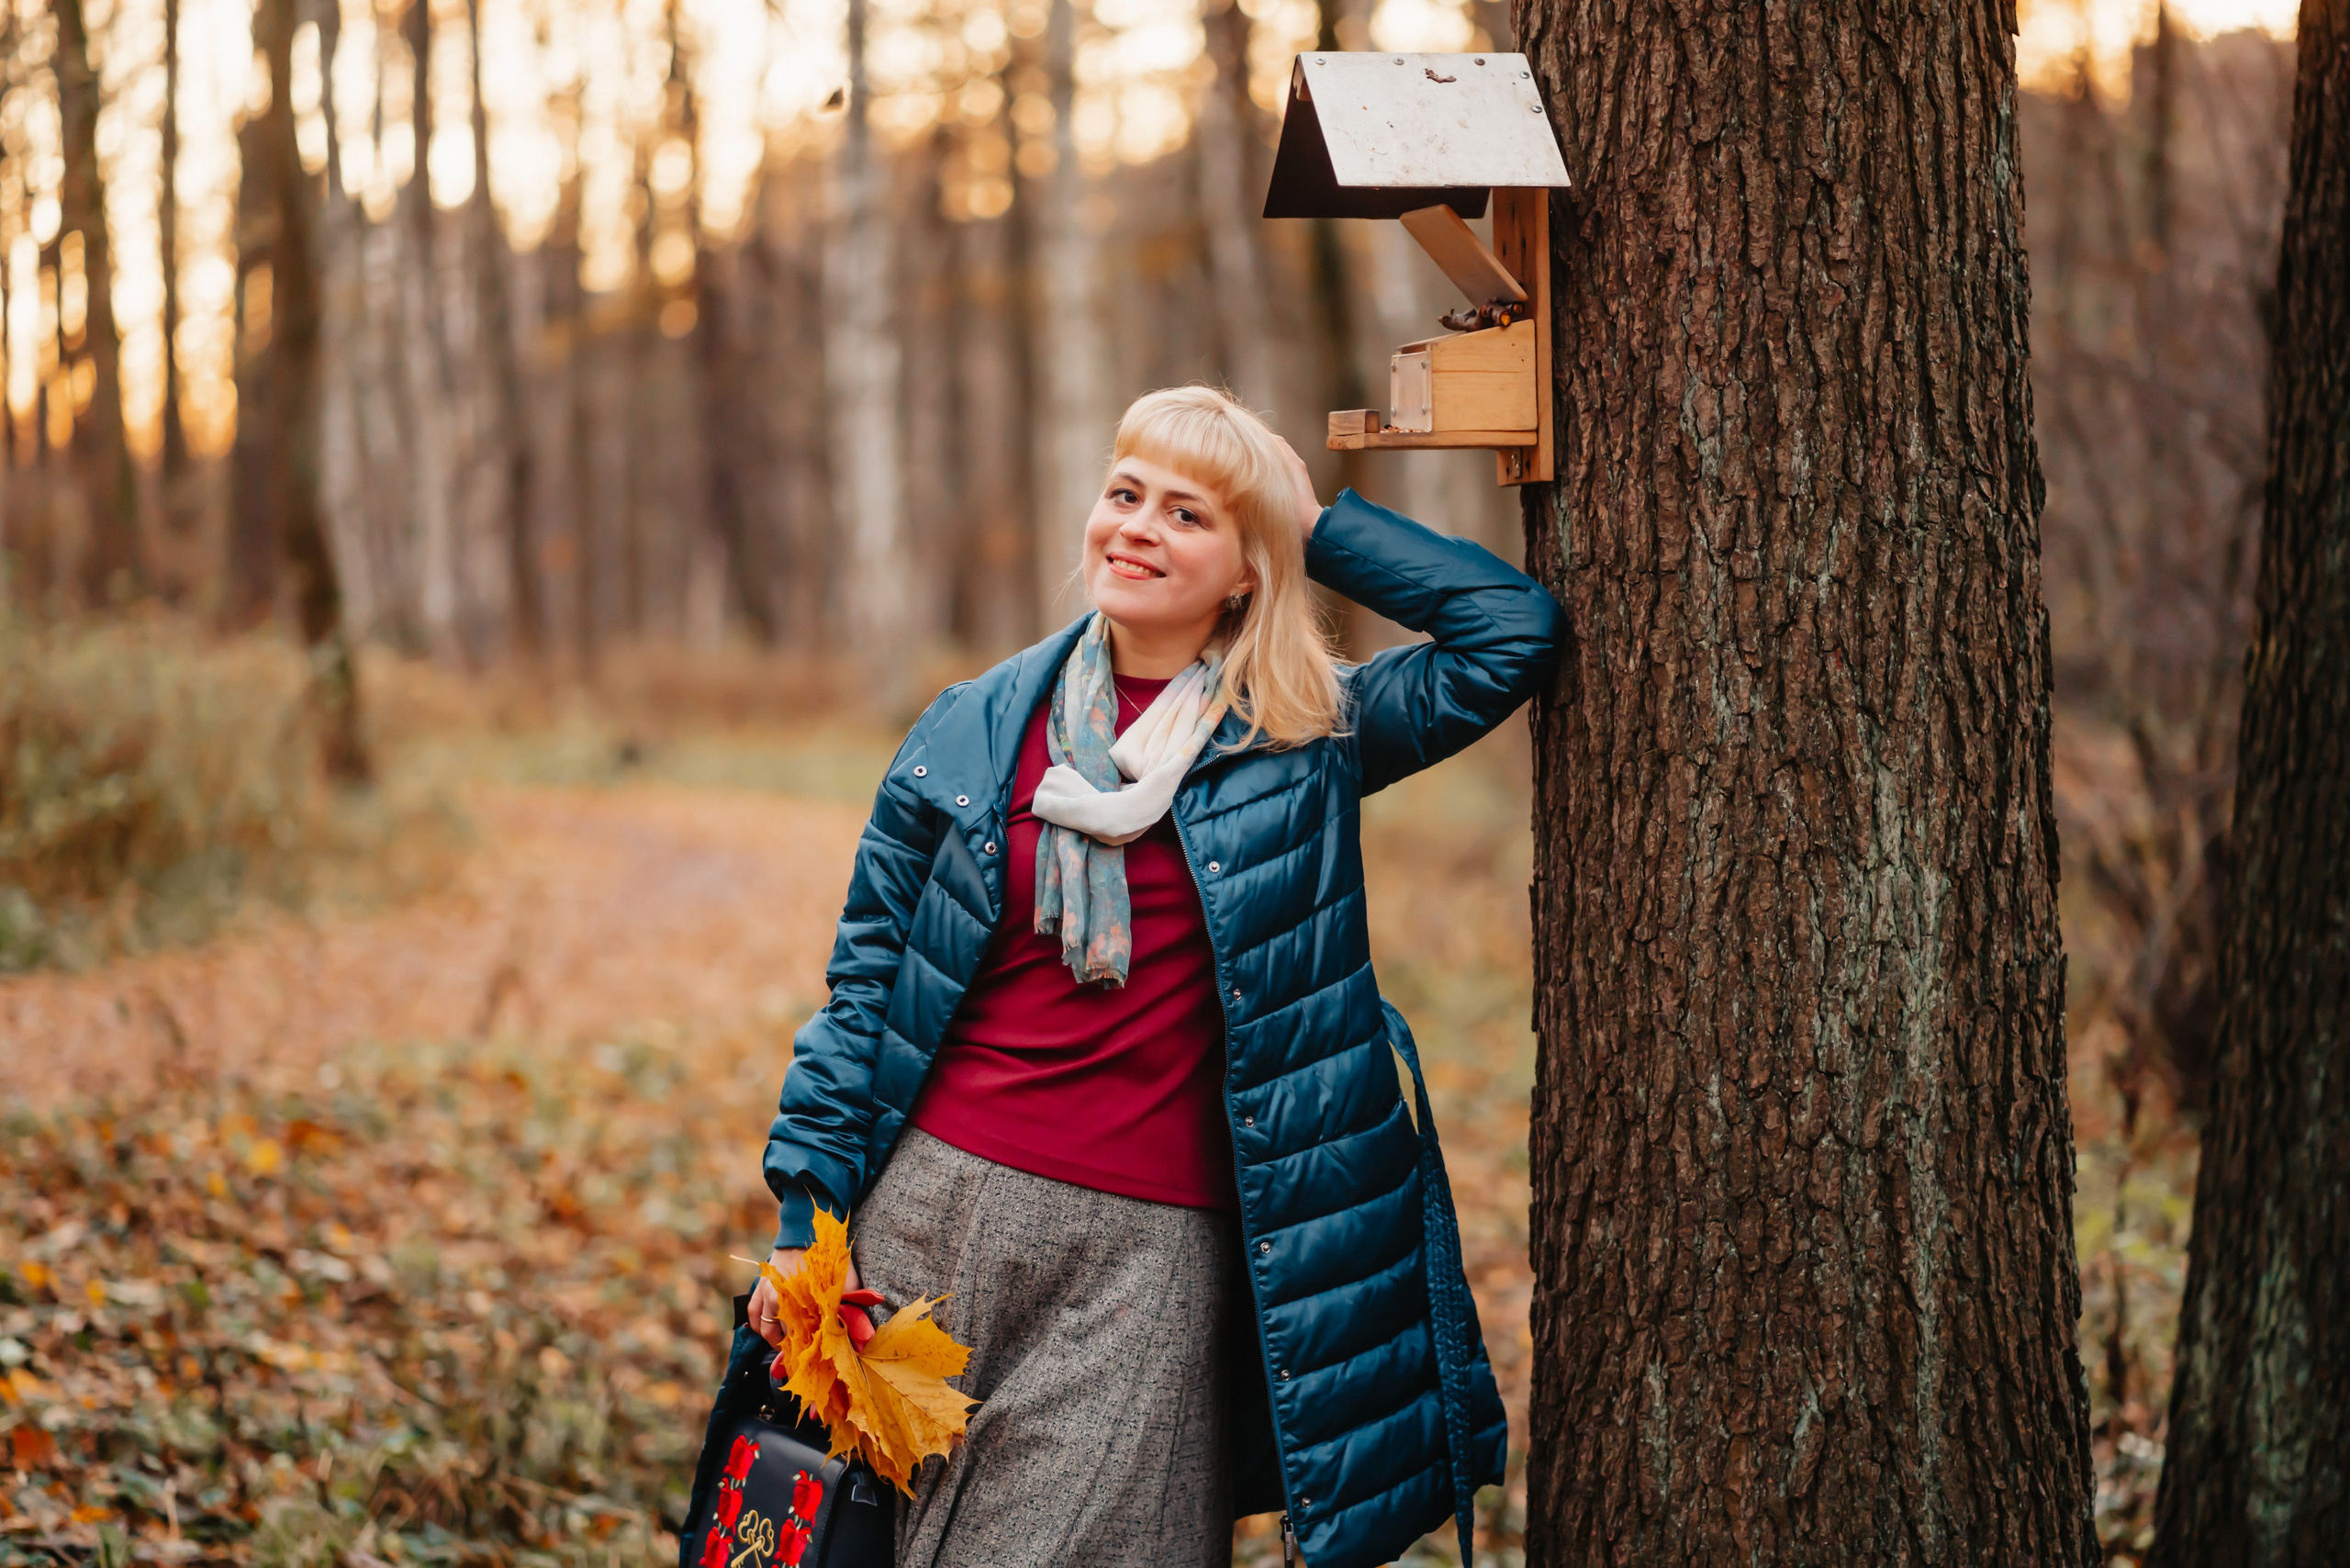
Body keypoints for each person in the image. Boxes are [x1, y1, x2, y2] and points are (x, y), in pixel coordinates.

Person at [699, 386, 1563, 1568]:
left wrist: (1316, 524)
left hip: (1148, 1266)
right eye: (1124, 495)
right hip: (927, 1225)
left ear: (1250, 567)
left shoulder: (1303, 739)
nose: (1138, 528)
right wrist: (806, 1219)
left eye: (1190, 513)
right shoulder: (973, 727)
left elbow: (1508, 632)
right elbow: (864, 991)